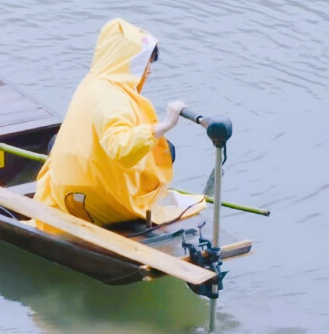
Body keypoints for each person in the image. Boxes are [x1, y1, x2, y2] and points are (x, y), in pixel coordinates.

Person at [34, 18, 205, 232]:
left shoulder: (94, 79)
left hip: (66, 186)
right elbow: (121, 148)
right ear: (129, 62)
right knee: (166, 150)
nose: (149, 70)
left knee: (56, 142)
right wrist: (166, 124)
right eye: (145, 62)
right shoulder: (113, 97)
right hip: (97, 198)